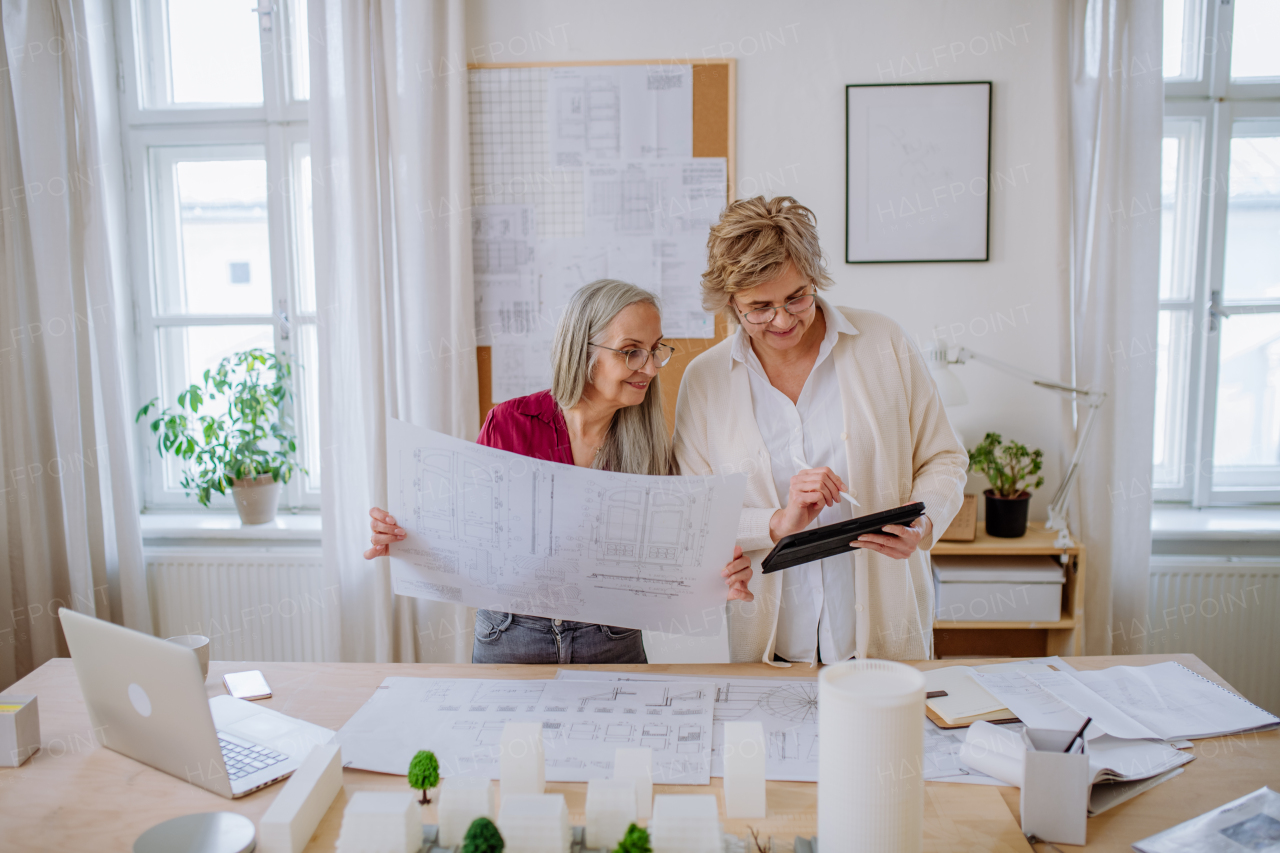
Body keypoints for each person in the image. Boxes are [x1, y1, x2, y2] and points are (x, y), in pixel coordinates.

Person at [366, 279, 754, 664]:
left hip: (609, 638)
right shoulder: (510, 423)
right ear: (583, 352)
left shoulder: (648, 444)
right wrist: (407, 537)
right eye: (631, 352)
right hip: (511, 634)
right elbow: (468, 534)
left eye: (655, 350)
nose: (650, 368)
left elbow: (667, 557)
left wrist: (717, 575)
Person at [674, 197, 968, 665]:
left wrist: (924, 522)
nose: (784, 320)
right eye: (759, 308)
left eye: (797, 297)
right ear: (730, 303)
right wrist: (775, 523)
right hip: (769, 652)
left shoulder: (883, 343)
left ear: (814, 278)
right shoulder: (705, 380)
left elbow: (944, 458)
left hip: (881, 648)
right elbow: (696, 511)